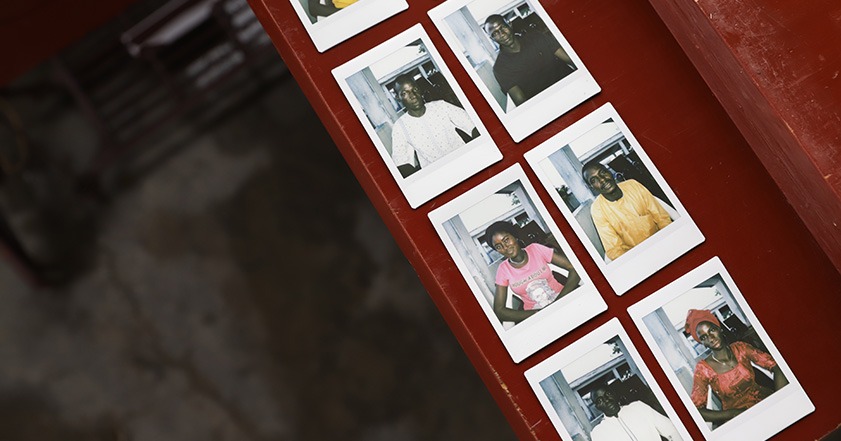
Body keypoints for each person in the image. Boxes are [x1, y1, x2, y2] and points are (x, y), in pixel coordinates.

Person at [684, 309, 788, 425]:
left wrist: (781, 397)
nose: (710, 338)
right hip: (740, 419)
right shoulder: (703, 369)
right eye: (703, 337)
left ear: (719, 328)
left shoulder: (741, 348)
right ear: (702, 343)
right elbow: (697, 411)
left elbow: (776, 365)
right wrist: (733, 413)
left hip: (764, 401)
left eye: (712, 330)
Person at [484, 221, 580, 323]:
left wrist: (560, 301)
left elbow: (574, 268)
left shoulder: (536, 249)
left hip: (563, 299)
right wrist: (538, 314)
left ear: (515, 236)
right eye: (499, 246)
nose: (505, 247)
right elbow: (499, 311)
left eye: (506, 240)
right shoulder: (503, 269)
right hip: (538, 316)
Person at [390, 74, 479, 178]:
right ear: (398, 98)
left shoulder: (441, 106)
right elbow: (401, 162)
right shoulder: (400, 127)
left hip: (466, 163)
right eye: (405, 93)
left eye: (414, 89)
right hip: (438, 177)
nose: (413, 95)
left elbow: (472, 126)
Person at [582, 161, 672, 260]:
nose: (602, 180)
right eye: (594, 180)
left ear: (609, 171)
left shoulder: (633, 185)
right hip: (637, 256)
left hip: (661, 241)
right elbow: (614, 249)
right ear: (591, 187)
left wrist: (667, 242)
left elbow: (662, 218)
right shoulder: (597, 209)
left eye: (603, 173)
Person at [482, 15, 576, 106]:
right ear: (492, 39)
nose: (502, 34)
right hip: (545, 105)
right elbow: (522, 102)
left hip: (571, 86)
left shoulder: (536, 37)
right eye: (495, 33)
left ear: (510, 24)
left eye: (502, 27)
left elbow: (570, 59)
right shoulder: (500, 68)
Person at [590, 387, 682, 441]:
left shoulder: (638, 407)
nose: (607, 400)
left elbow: (672, 430)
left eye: (608, 394)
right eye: (600, 400)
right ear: (597, 407)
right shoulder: (599, 433)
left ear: (614, 394)